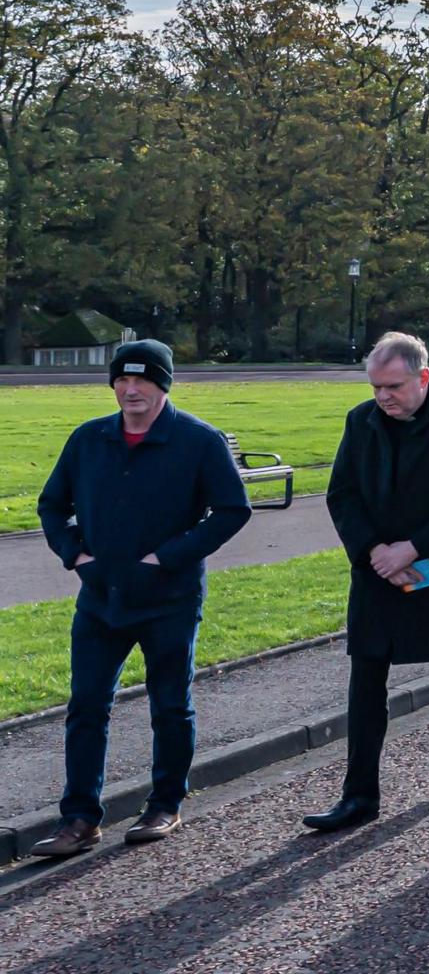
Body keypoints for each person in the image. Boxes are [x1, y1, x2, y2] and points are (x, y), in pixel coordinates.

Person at [30, 340, 249, 858]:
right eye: (122, 381)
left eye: (143, 381)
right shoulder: (89, 440)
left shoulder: (198, 441)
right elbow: (51, 504)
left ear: (163, 385)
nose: (131, 390)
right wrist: (75, 557)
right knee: (86, 705)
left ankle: (165, 803)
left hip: (168, 600)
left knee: (170, 705)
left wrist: (167, 558)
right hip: (101, 601)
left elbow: (232, 510)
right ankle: (80, 819)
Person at [305, 334, 429, 834]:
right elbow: (342, 494)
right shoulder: (361, 421)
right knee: (366, 677)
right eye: (375, 387)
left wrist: (411, 549)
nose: (383, 397)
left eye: (393, 387)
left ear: (424, 377)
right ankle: (359, 795)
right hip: (376, 569)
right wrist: (374, 551)